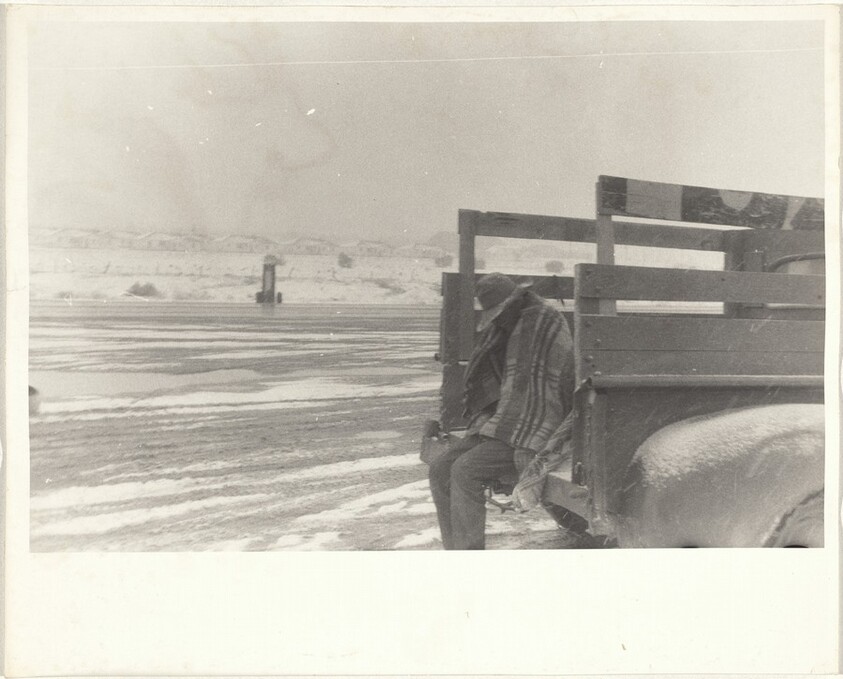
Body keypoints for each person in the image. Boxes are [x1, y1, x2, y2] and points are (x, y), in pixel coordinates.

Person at [428, 272, 575, 549]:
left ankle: (471, 556)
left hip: (538, 423)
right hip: (504, 422)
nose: (499, 320)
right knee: (439, 469)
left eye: (501, 312)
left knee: (464, 471)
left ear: (514, 301)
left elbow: (545, 389)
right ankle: (455, 551)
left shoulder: (542, 320)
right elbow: (503, 381)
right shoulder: (507, 327)